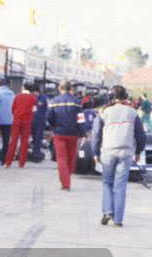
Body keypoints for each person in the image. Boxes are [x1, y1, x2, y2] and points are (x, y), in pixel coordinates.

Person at [92, 85, 146, 227]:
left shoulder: (103, 112)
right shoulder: (132, 112)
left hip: (108, 152)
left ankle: (107, 211)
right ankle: (118, 220)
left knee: (107, 182)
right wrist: (138, 152)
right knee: (120, 185)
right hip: (126, 153)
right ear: (126, 96)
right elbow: (140, 135)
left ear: (110, 96)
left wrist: (95, 152)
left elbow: (96, 134)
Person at [47, 79, 85, 190]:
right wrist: (82, 131)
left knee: (61, 157)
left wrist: (54, 125)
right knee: (71, 156)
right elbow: (81, 118)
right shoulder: (76, 101)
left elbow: (49, 117)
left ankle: (65, 183)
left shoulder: (53, 101)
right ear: (70, 89)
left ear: (59, 88)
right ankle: (67, 177)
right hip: (73, 133)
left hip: (59, 133)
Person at [4, 82, 37, 167]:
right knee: (24, 141)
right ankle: (21, 163)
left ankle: (8, 162)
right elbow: (34, 110)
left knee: (13, 140)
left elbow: (12, 108)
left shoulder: (17, 96)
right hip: (27, 120)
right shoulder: (33, 98)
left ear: (23, 87)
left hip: (17, 119)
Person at [30, 85, 49, 162]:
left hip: (41, 121)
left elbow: (49, 108)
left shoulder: (45, 97)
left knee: (38, 138)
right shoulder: (32, 97)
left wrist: (46, 118)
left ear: (35, 91)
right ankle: (36, 152)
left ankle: (37, 155)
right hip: (33, 120)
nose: (32, 93)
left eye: (32, 92)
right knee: (34, 138)